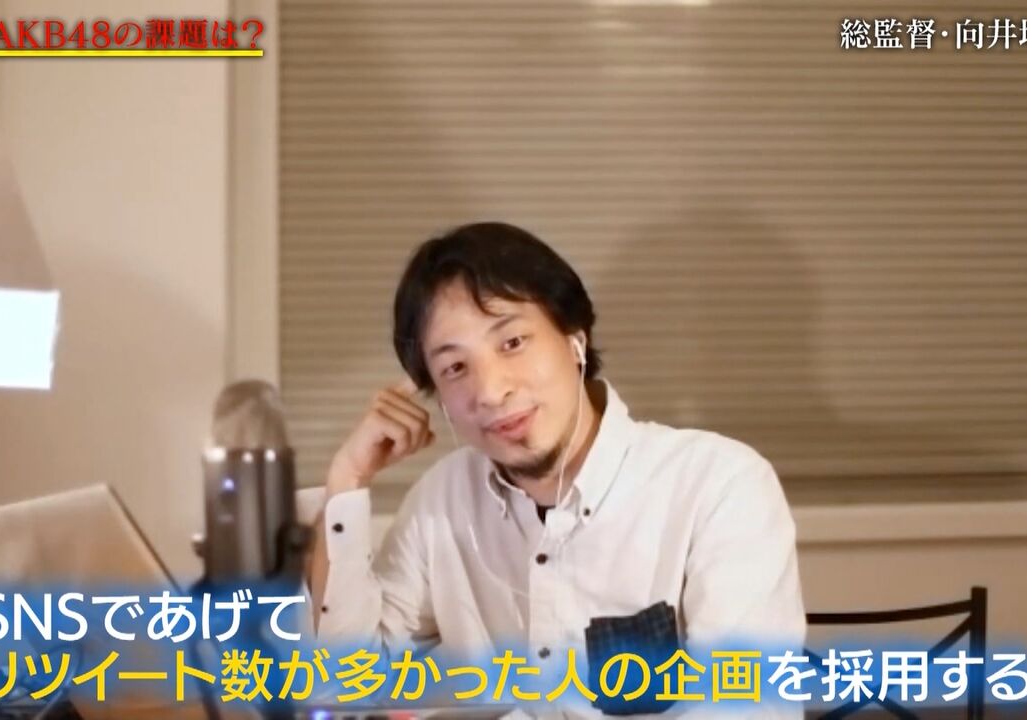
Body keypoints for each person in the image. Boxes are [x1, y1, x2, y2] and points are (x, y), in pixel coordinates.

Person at [307, 221, 805, 717]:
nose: (491, 391)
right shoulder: (442, 501)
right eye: (455, 368)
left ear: (574, 339)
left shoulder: (719, 486)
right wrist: (347, 479)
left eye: (512, 342)